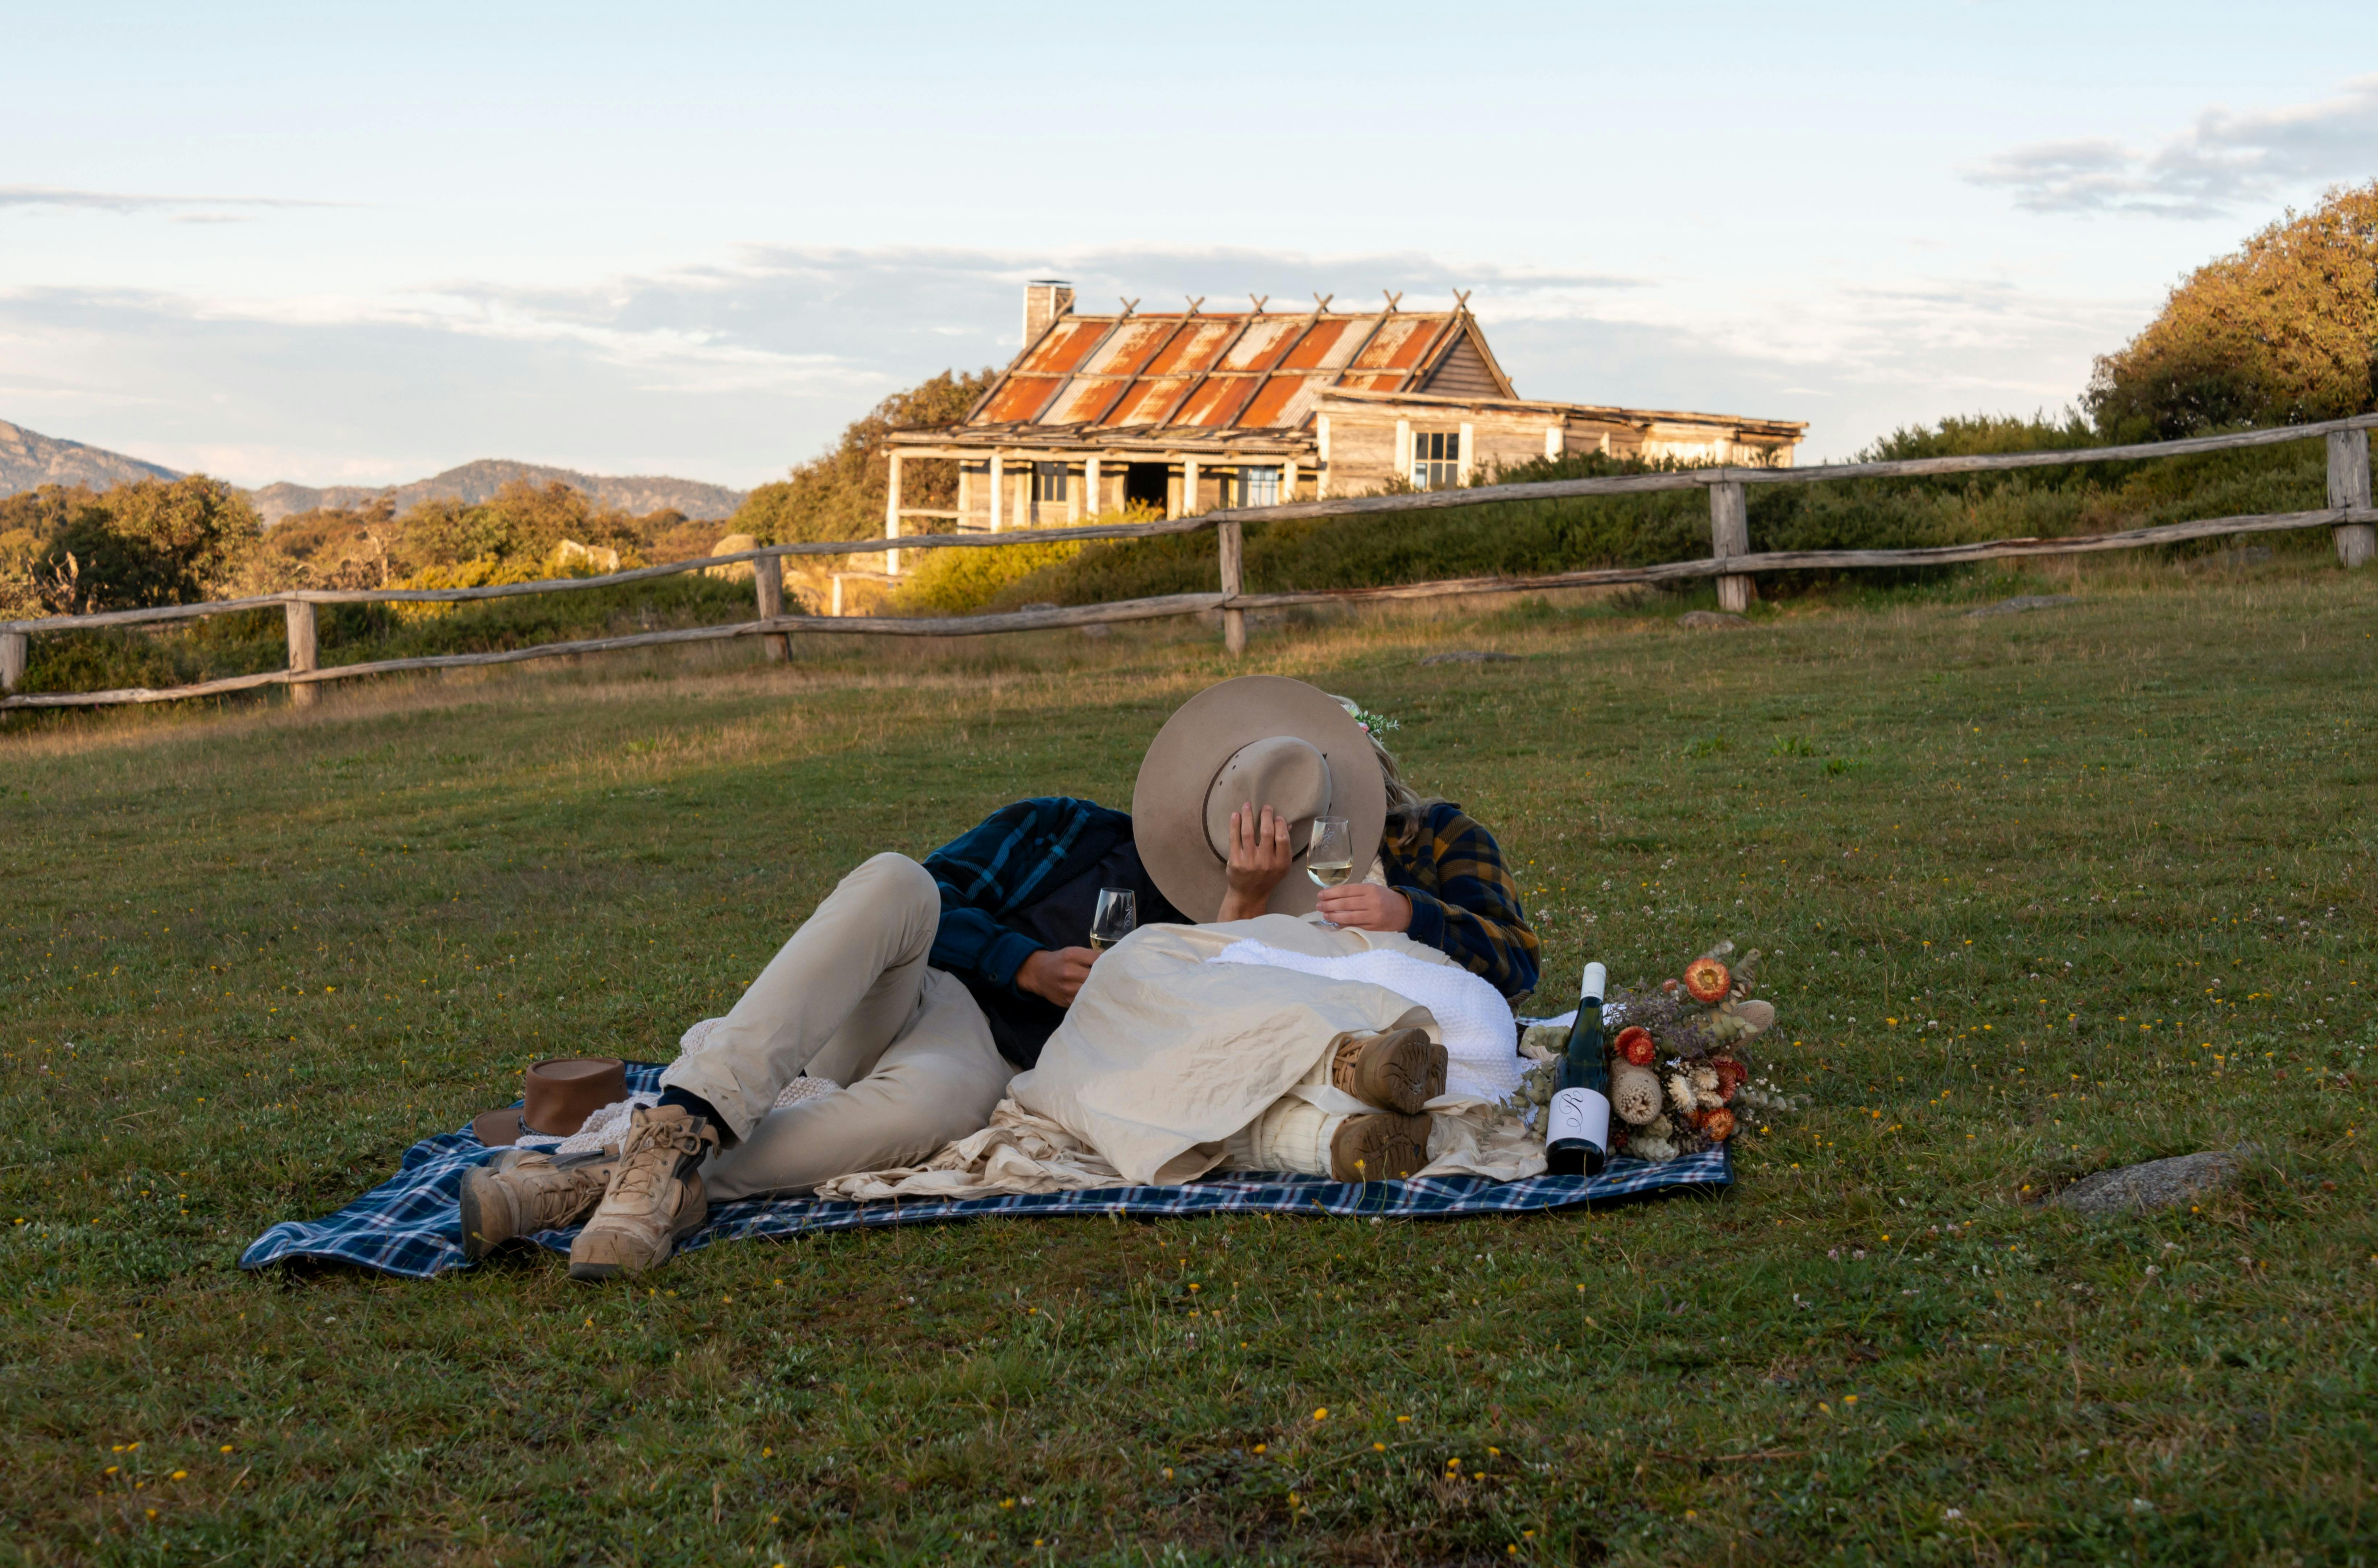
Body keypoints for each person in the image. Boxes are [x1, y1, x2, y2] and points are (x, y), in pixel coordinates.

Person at [458, 795, 1184, 1278]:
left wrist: (1237, 906)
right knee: (898, 879)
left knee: (927, 1113)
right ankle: (685, 1119)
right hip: (912, 989)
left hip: (989, 1056)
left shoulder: (1229, 931)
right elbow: (939, 890)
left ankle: (598, 1182)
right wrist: (1019, 962)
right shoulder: (1065, 826)